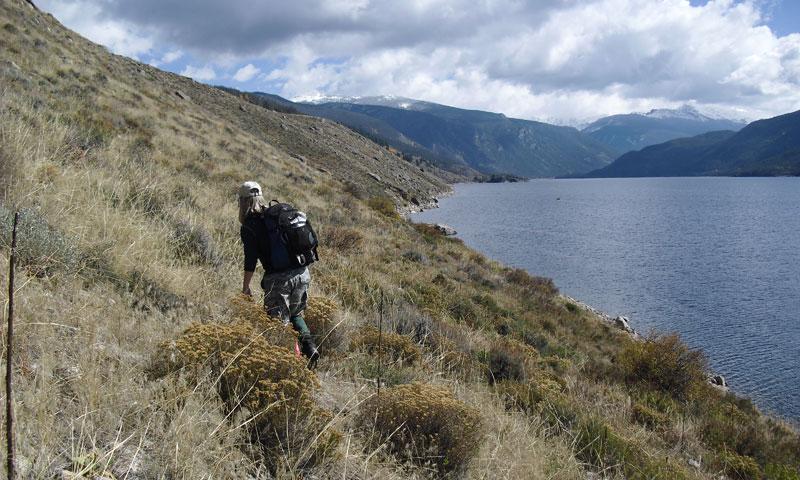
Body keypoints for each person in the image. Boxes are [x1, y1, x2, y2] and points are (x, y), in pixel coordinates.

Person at [238, 180, 320, 366]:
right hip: (302, 273)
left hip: (279, 280)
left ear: (242, 201)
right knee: (296, 314)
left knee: (278, 326)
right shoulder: (275, 215)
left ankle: (292, 366)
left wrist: (245, 287)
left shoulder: (250, 225)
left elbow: (250, 260)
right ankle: (309, 347)